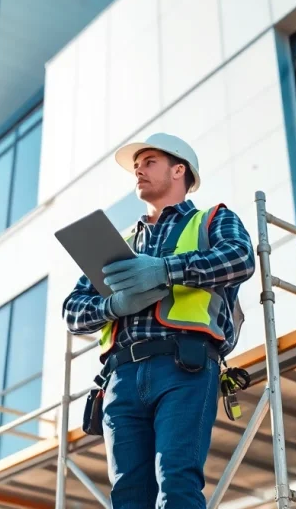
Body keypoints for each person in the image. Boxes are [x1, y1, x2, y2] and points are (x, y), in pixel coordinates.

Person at [62, 132, 256, 508]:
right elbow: (73, 310)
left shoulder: (212, 219)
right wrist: (114, 306)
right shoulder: (120, 242)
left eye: (149, 162)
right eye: (136, 167)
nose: (139, 171)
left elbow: (240, 258)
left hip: (183, 367)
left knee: (177, 484)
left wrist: (167, 270)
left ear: (178, 170)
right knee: (128, 496)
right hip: (121, 379)